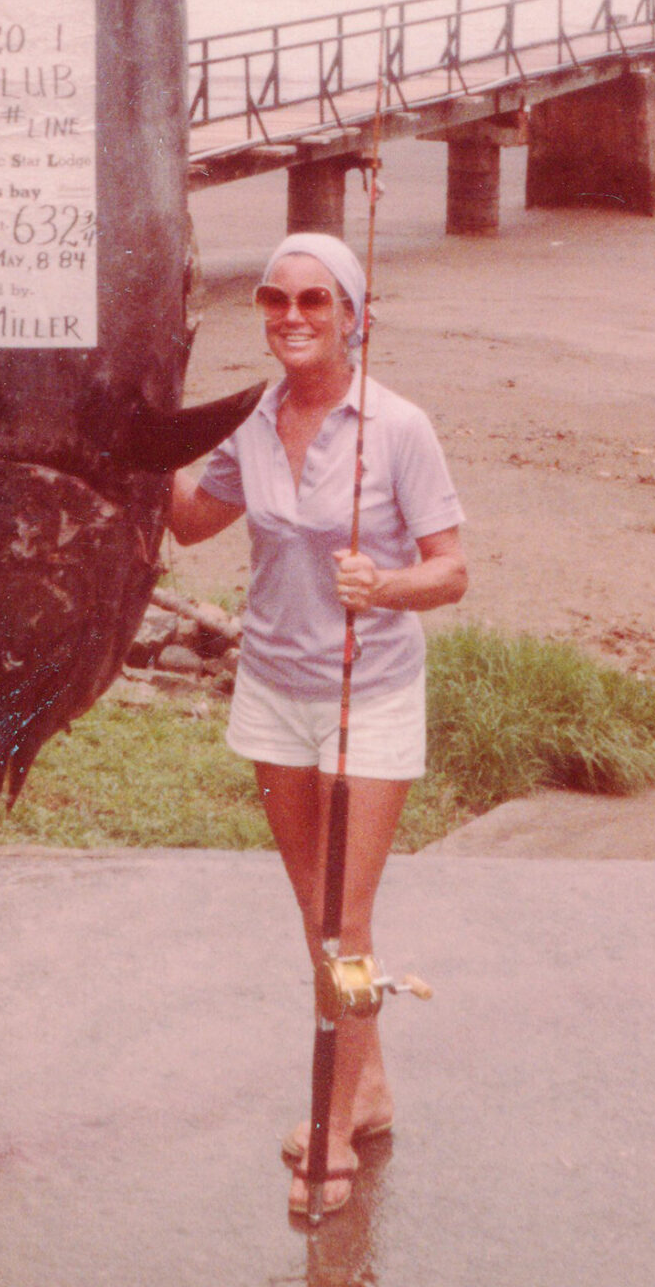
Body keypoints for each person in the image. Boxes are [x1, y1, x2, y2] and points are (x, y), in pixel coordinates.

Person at [169, 230, 467, 1219]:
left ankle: (334, 1129)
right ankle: (370, 1088)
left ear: (351, 317)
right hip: (271, 696)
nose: (290, 316)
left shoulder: (396, 427)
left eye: (312, 300)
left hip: (368, 697)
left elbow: (450, 567)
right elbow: (184, 517)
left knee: (343, 922)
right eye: (273, 299)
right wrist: (123, 439)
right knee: (319, 913)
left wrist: (383, 584)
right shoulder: (248, 425)